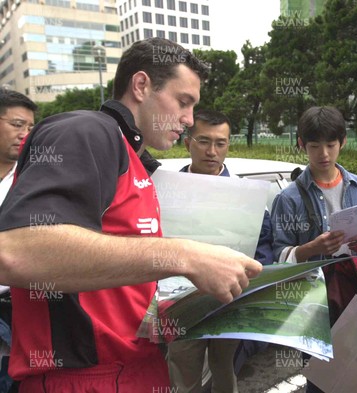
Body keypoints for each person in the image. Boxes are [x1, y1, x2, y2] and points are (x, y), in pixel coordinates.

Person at [0, 38, 263, 392]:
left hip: (139, 366)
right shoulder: (86, 131)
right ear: (140, 86)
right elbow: (17, 251)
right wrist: (185, 255)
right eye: (183, 102)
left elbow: (119, 280)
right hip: (85, 377)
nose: (188, 120)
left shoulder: (136, 159)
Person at [270, 106, 357, 393]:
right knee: (321, 375)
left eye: (331, 145)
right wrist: (310, 248)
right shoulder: (289, 198)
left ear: (342, 141)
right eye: (315, 146)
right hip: (315, 299)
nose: (324, 154)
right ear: (301, 145)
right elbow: (278, 256)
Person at [168, 109, 273, 393]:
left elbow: (263, 249)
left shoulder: (246, 195)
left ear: (229, 144)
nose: (212, 151)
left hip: (230, 299)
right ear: (188, 143)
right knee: (183, 373)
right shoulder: (166, 192)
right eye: (203, 141)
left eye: (220, 143)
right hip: (181, 300)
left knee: (224, 369)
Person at [0, 89, 36, 393]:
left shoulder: (33, 181)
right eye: (16, 125)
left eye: (29, 127)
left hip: (18, 312)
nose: (25, 134)